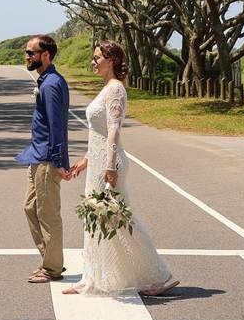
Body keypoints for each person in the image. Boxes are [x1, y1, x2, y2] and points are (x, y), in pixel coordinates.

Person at [64, 40, 179, 296]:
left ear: (112, 60)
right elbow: (99, 132)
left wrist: (109, 165)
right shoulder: (106, 88)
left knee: (120, 219)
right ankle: (90, 277)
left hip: (109, 164)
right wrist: (85, 161)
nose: (93, 62)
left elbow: (114, 130)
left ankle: (161, 276)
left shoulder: (115, 89)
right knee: (96, 219)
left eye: (97, 58)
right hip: (98, 163)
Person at [16, 35, 71, 284]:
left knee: (48, 214)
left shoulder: (50, 85)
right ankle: (50, 260)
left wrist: (59, 161)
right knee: (30, 208)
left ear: (45, 55)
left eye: (31, 53)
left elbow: (57, 126)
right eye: (27, 52)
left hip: (48, 158)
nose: (27, 56)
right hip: (37, 155)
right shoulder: (46, 81)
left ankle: (52, 267)